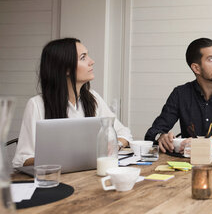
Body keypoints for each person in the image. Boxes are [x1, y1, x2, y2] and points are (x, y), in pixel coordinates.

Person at [12, 38, 132, 168]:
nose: (92, 62)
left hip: (88, 178)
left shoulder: (93, 98)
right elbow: (21, 160)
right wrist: (61, 159)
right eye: (83, 58)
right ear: (66, 69)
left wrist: (115, 145)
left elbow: (123, 133)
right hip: (55, 181)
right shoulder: (36, 105)